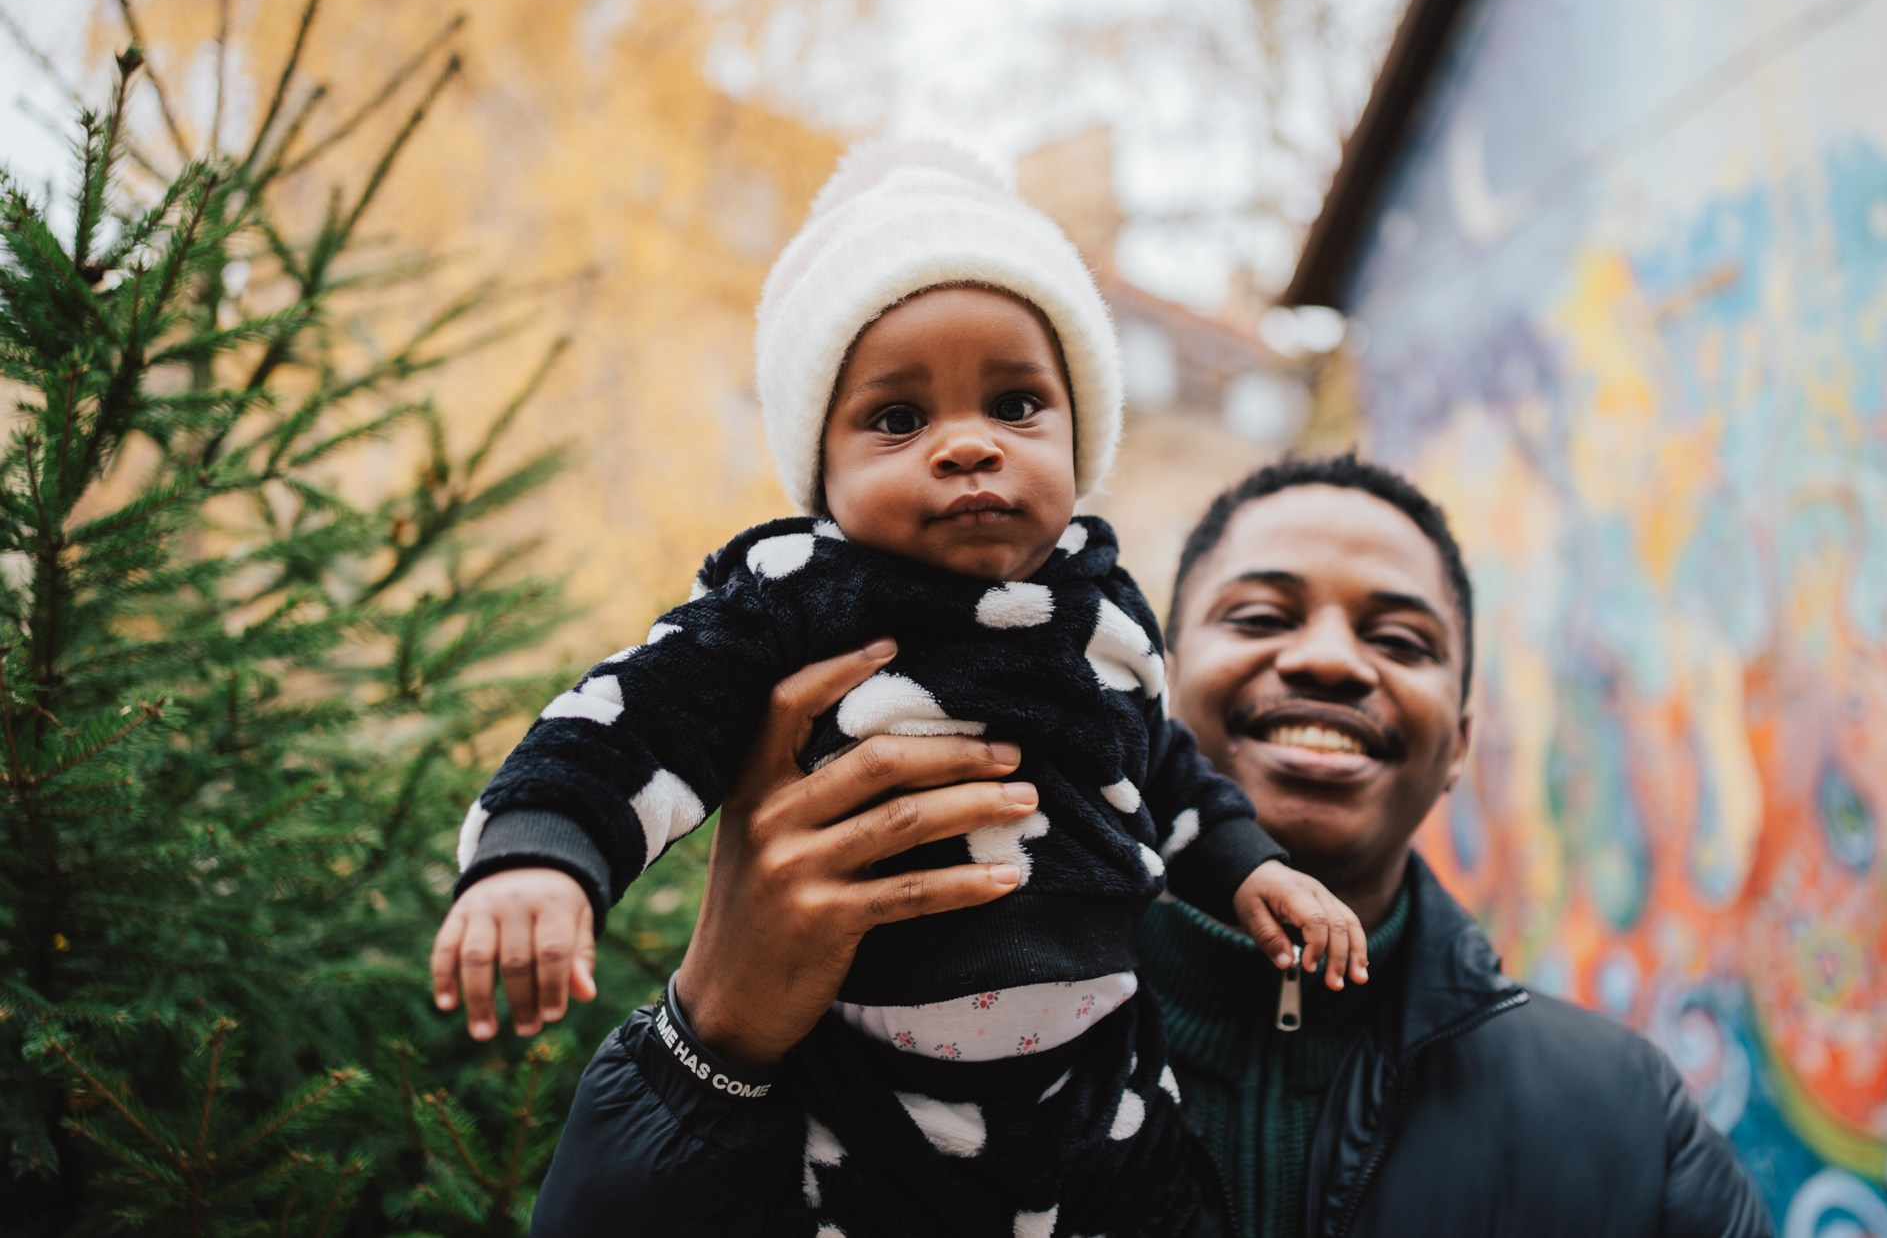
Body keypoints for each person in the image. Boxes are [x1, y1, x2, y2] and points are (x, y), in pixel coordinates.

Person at [431, 143, 1370, 1238]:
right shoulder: (795, 599)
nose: (967, 444)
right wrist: (540, 856)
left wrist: (1252, 868)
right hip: (871, 1087)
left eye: (1017, 404)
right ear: (819, 471)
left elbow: (1158, 765)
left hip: (1102, 1079)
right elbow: (635, 718)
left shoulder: (1105, 611)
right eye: (896, 419)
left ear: (1080, 435)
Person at [508, 453, 1776, 1237]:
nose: (1329, 657)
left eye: (1399, 638)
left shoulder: (1621, 1120)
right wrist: (711, 1037)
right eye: (1263, 612)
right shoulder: (873, 1002)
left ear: (1458, 742)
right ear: (1144, 688)